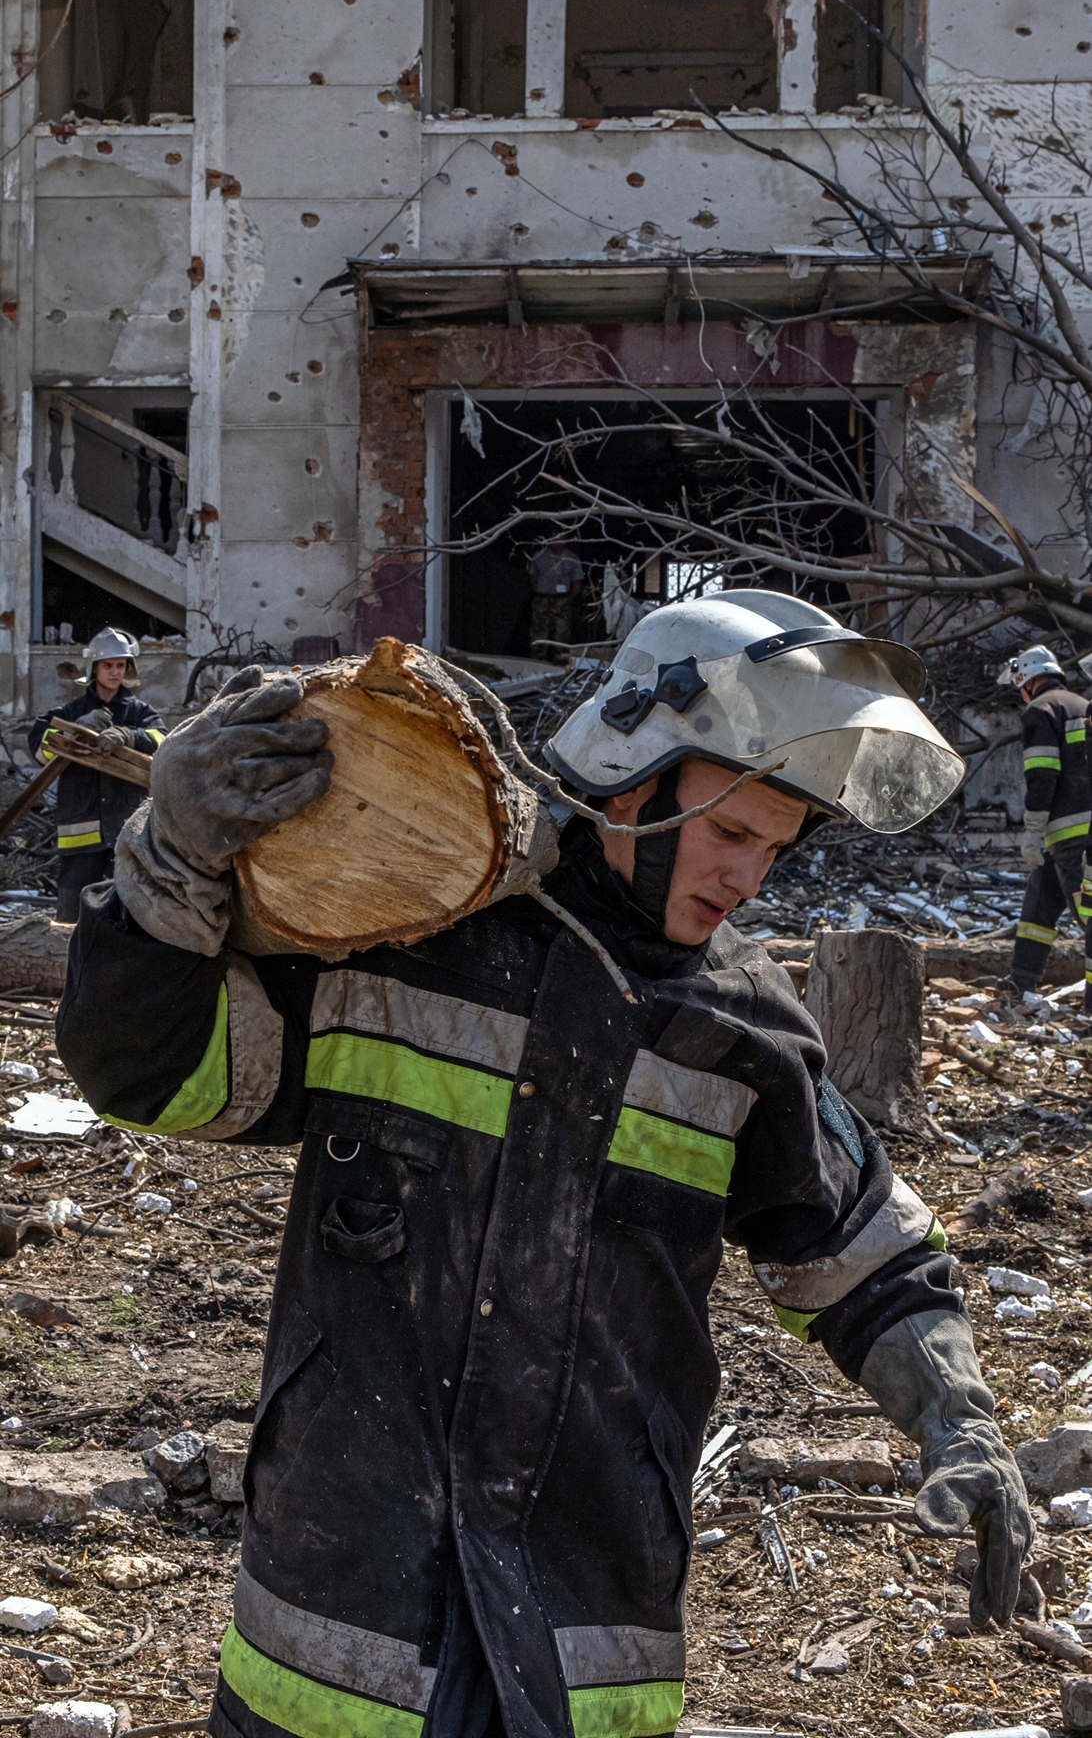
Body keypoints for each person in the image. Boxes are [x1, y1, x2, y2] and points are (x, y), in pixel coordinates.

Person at [57, 591, 1031, 1738]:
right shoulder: (410, 932)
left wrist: (957, 1418)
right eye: (730, 830)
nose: (748, 878)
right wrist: (167, 869)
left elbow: (863, 1254)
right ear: (631, 780)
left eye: (774, 845)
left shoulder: (745, 1031)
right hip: (344, 1609)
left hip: (588, 1628)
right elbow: (153, 1076)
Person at [29, 627, 165, 925]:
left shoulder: (141, 713)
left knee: (130, 924)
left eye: (120, 665)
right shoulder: (70, 711)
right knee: (71, 921)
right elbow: (40, 751)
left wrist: (131, 735)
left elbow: (165, 742)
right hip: (80, 841)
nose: (115, 672)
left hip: (127, 837)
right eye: (108, 665)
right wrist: (74, 728)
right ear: (93, 668)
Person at [999, 644, 1090, 996]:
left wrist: (1033, 829)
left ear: (1026, 682)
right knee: (1039, 904)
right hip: (1072, 835)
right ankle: (1021, 982)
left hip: (1071, 834)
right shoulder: (1083, 706)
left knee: (1089, 915)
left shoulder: (1040, 710)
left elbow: (1043, 773)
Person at [529, 534, 583, 651]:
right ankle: (537, 662)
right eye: (554, 538)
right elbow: (532, 579)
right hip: (542, 599)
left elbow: (577, 584)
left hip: (563, 600)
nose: (557, 542)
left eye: (561, 538)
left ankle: (560, 663)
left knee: (561, 634)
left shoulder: (572, 558)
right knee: (539, 633)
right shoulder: (539, 556)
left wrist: (566, 599)